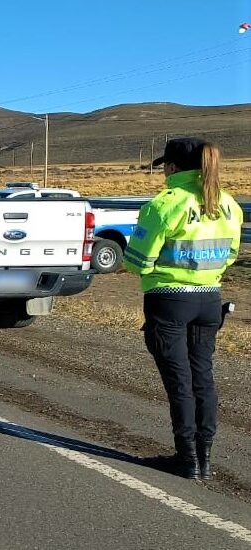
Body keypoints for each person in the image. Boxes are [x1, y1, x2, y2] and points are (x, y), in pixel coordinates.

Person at [125, 138, 243, 479]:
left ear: (173, 167)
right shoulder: (228, 204)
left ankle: (186, 459)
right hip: (209, 297)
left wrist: (152, 267)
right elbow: (231, 253)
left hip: (169, 300)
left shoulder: (164, 204)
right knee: (202, 376)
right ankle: (204, 457)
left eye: (165, 165)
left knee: (179, 381)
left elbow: (137, 262)